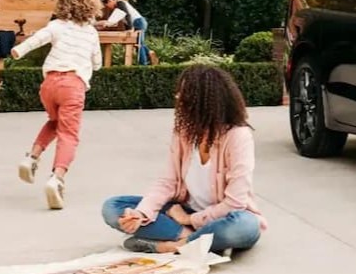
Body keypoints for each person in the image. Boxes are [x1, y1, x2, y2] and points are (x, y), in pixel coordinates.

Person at [101, 65, 267, 254]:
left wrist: (189, 220)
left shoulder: (238, 136)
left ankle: (175, 245)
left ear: (207, 101)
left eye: (185, 93)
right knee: (113, 207)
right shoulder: (185, 133)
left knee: (243, 226)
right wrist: (141, 213)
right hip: (183, 212)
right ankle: (196, 241)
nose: (178, 98)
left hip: (224, 217)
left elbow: (235, 203)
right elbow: (168, 182)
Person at [10, 0, 102, 210]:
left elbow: (36, 40)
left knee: (55, 122)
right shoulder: (91, 33)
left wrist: (18, 51)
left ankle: (32, 157)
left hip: (49, 84)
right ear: (91, 7)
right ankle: (57, 178)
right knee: (69, 135)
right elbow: (97, 63)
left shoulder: (56, 26)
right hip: (73, 85)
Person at [97, 0, 152, 66]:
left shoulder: (120, 3)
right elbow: (121, 20)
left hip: (138, 22)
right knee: (139, 42)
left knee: (138, 44)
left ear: (110, 1)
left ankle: (143, 64)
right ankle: (150, 53)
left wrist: (130, 28)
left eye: (107, 5)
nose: (108, 7)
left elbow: (128, 15)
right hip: (137, 22)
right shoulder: (118, 8)